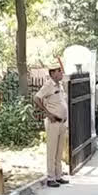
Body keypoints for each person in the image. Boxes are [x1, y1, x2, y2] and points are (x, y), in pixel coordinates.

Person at [33, 60, 69, 188]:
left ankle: (58, 176)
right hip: (53, 122)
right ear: (52, 73)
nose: (61, 73)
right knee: (52, 150)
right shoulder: (48, 85)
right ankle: (50, 177)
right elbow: (36, 98)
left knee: (59, 151)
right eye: (59, 71)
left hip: (62, 122)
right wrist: (47, 113)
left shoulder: (59, 86)